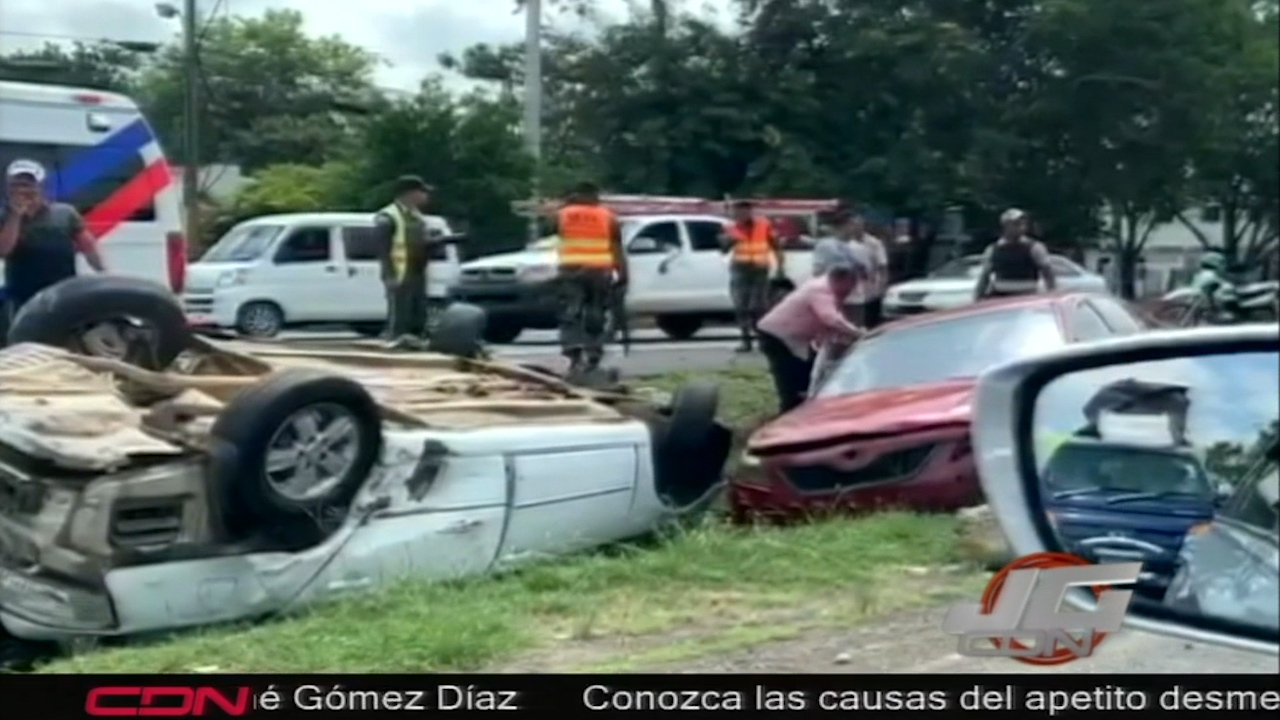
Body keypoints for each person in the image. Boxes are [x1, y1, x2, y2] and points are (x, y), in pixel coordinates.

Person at [0, 159, 106, 320]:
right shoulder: (4, 216)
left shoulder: (65, 213)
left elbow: (88, 247)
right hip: (22, 294)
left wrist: (103, 273)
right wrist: (15, 216)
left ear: (41, 187)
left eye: (29, 184)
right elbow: (4, 251)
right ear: (8, 189)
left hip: (64, 290)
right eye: (17, 184)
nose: (23, 189)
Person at [756, 262, 866, 414]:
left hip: (793, 339)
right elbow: (831, 319)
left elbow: (831, 324)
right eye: (851, 285)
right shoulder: (820, 290)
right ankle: (790, 412)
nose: (850, 291)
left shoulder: (823, 288)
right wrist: (858, 334)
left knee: (806, 374)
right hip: (778, 336)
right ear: (843, 279)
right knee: (790, 377)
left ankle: (801, 406)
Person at [555, 182, 626, 374]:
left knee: (571, 312)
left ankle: (574, 353)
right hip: (599, 269)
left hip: (571, 270)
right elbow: (616, 246)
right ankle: (594, 354)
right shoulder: (608, 216)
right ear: (595, 196)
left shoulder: (564, 214)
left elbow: (556, 232)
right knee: (596, 312)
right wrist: (623, 273)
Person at [374, 175, 437, 347]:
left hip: (417, 272)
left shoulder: (417, 217)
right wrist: (389, 275)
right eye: (422, 192)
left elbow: (420, 242)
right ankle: (395, 345)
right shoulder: (388, 217)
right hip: (399, 273)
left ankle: (415, 344)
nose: (425, 196)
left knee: (418, 315)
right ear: (409, 193)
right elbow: (383, 249)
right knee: (400, 316)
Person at [720, 200, 784, 352]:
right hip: (740, 268)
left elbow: (775, 246)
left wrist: (780, 266)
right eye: (737, 212)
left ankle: (763, 338)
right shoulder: (730, 228)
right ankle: (745, 340)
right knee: (741, 306)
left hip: (760, 268)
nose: (740, 214)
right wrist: (727, 241)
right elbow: (723, 249)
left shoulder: (764, 225)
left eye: (744, 211)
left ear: (750, 212)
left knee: (758, 307)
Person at [973, 208, 1056, 300]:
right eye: (1016, 224)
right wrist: (978, 296)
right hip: (1001, 297)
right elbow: (985, 275)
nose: (1021, 227)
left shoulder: (1034, 247)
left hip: (1028, 296)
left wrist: (1052, 294)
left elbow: (1048, 272)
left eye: (1023, 224)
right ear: (1005, 226)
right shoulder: (993, 249)